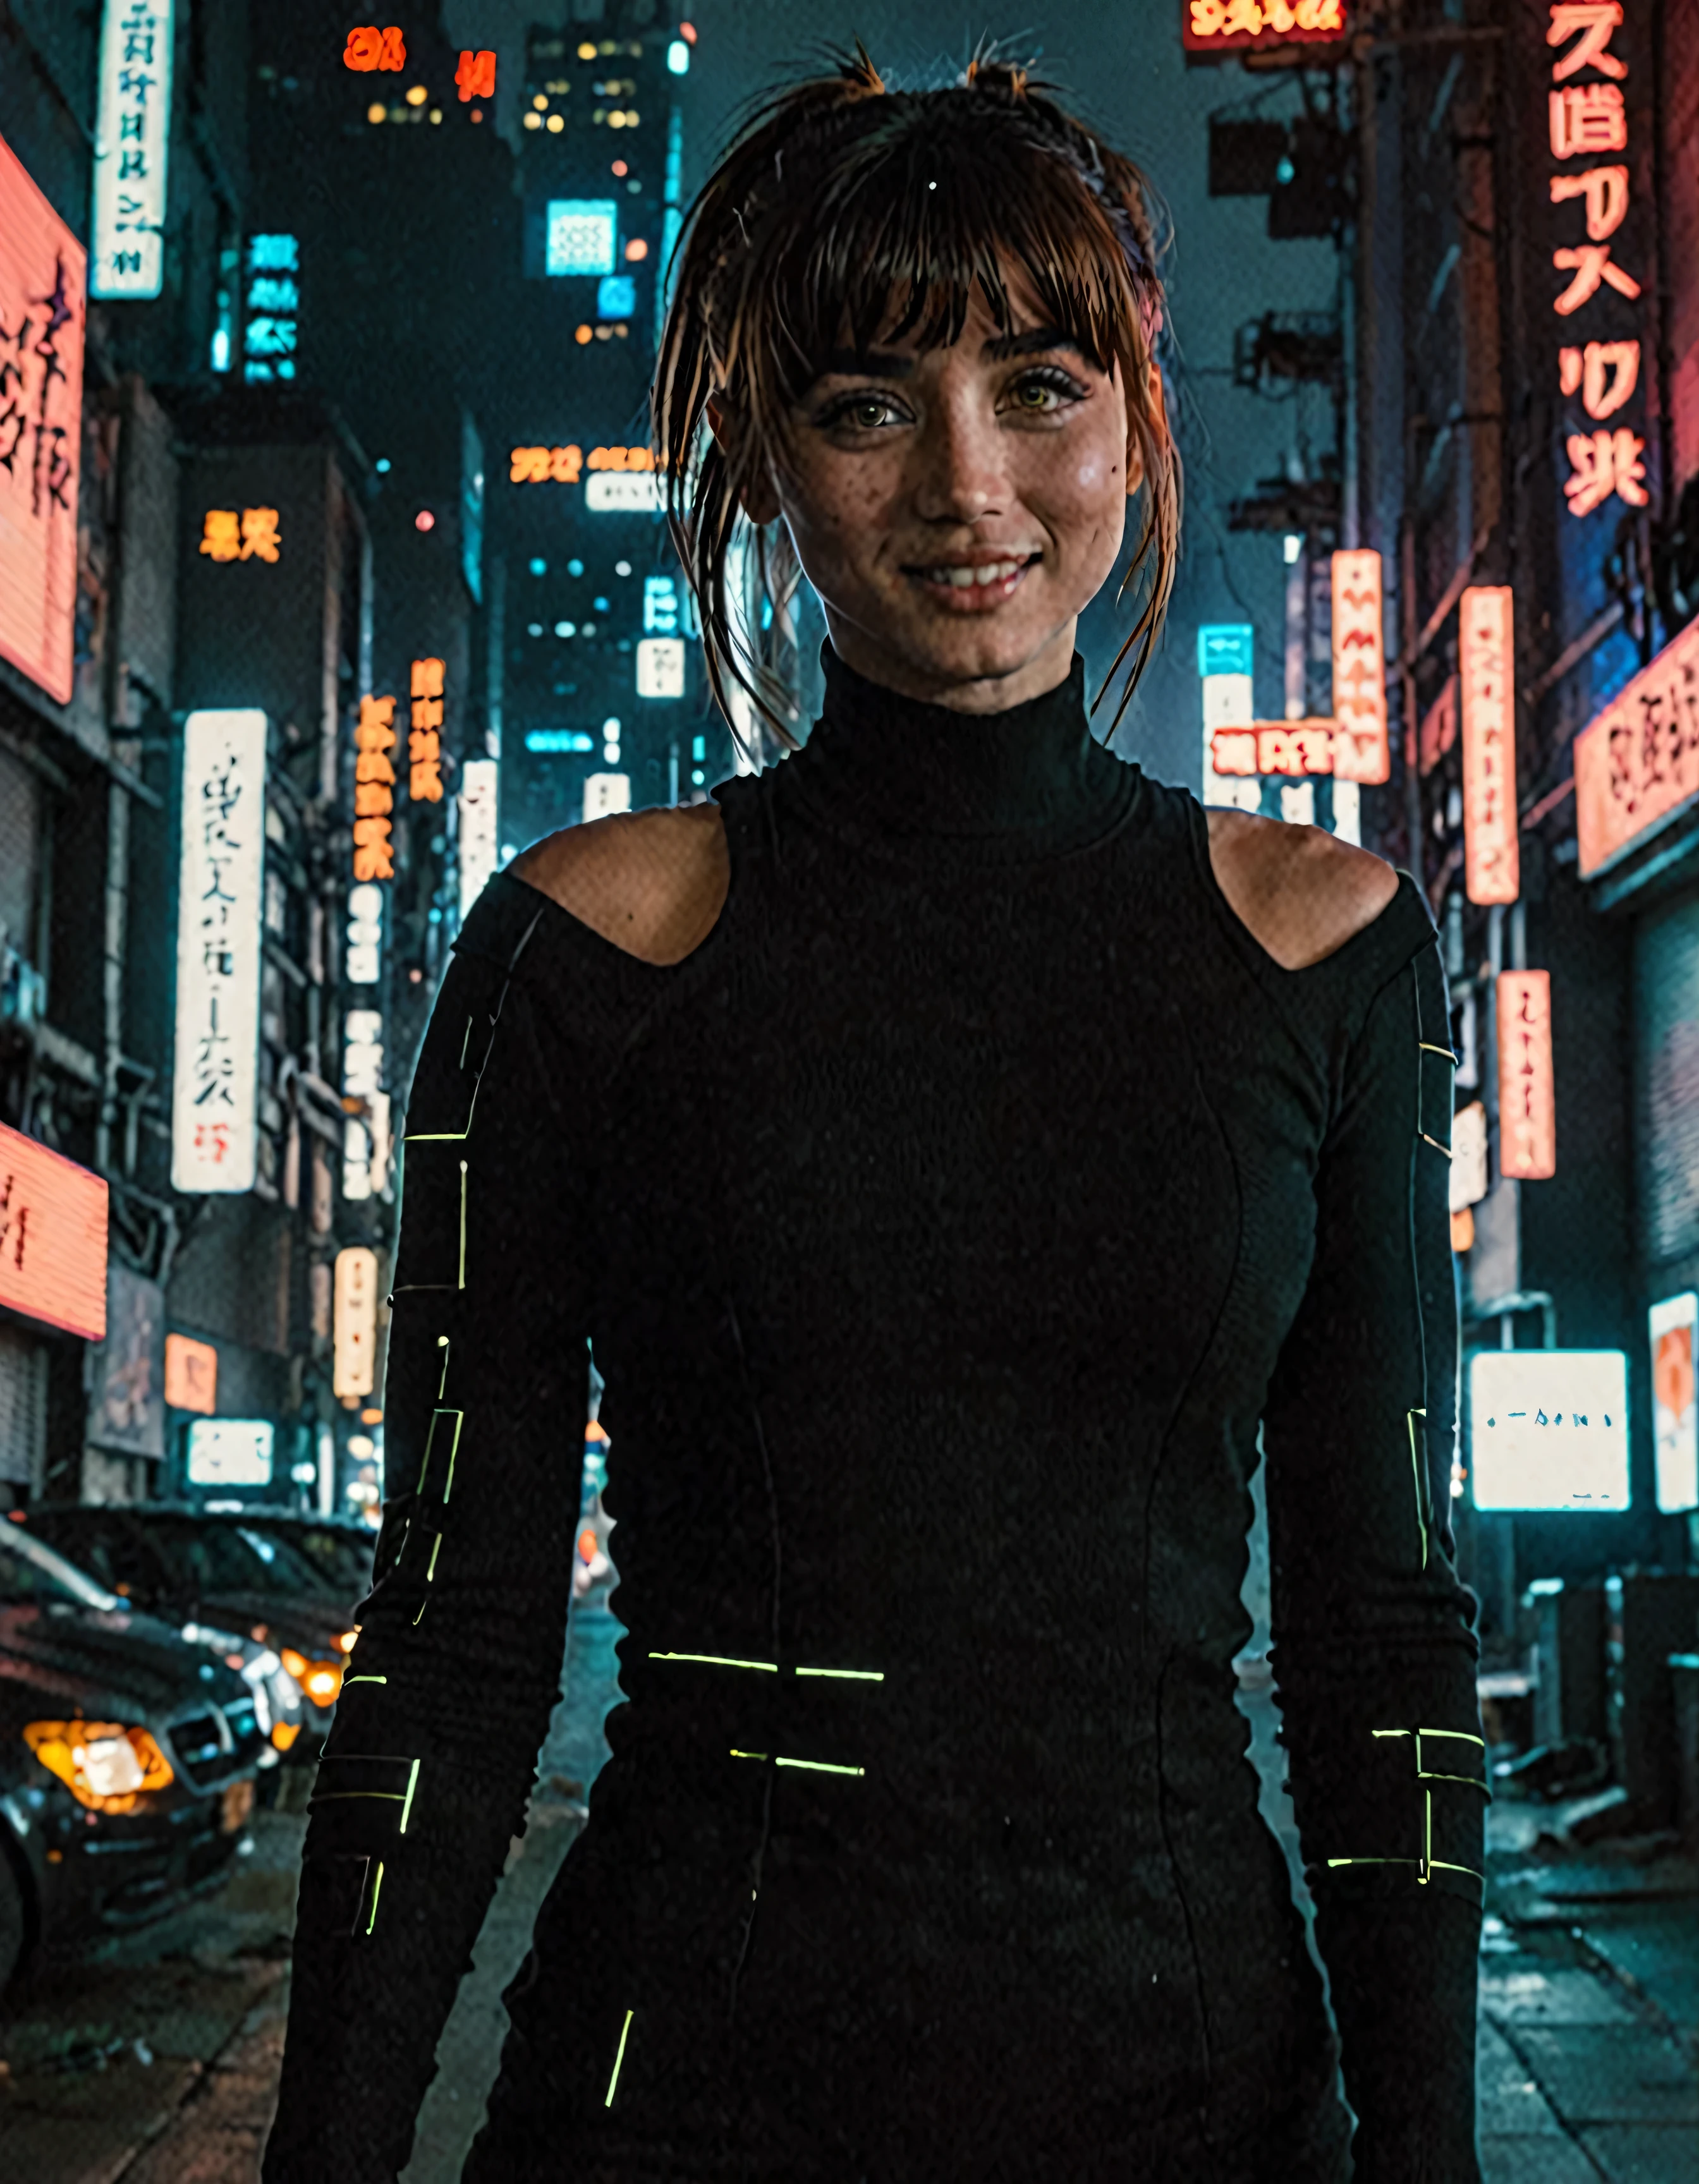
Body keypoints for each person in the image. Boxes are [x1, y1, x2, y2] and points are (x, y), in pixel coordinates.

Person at [264, 49, 1485, 2184]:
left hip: (1201, 2109)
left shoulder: (1333, 950)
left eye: (1037, 385)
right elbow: (454, 1644)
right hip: (675, 2107)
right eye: (864, 405)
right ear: (762, 459)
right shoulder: (582, 950)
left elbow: (1383, 1633)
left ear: (1135, 421)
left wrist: (1437, 2152)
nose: (965, 485)